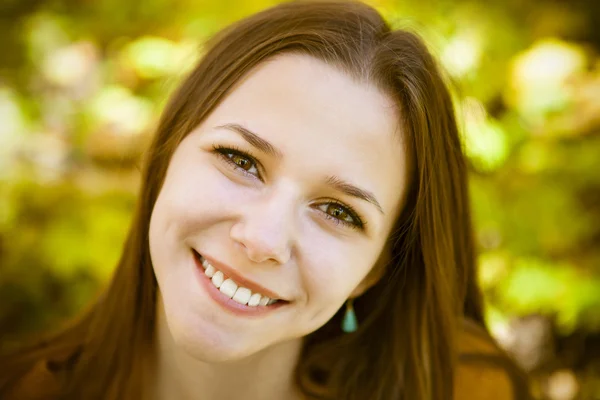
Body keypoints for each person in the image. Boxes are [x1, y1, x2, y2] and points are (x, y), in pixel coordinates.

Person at [0, 1, 532, 399]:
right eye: (241, 160)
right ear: (165, 156)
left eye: (338, 211)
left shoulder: (461, 385)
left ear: (374, 271)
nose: (261, 240)